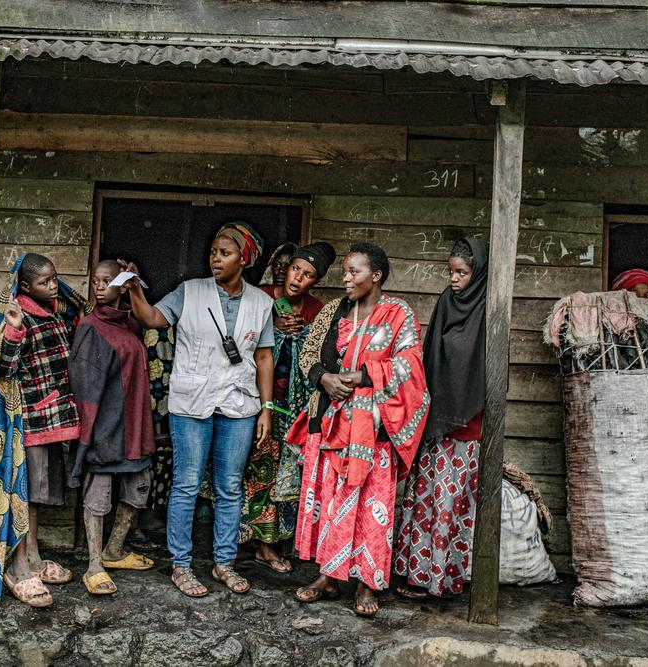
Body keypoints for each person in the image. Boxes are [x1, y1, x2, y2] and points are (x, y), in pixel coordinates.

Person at [121, 221, 275, 597]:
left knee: (229, 487)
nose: (216, 258)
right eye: (213, 252)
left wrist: (267, 408)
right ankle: (182, 565)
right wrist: (134, 291)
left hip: (239, 404)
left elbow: (265, 356)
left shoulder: (261, 302)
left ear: (245, 259)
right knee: (187, 484)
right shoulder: (189, 291)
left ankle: (224, 563)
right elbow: (152, 320)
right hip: (192, 403)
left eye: (225, 253)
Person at [291, 242, 430, 617]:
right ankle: (328, 576)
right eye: (345, 272)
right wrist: (325, 379)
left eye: (354, 271)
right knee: (332, 503)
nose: (347, 278)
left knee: (373, 508)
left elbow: (411, 364)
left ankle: (367, 583)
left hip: (373, 432)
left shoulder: (398, 313)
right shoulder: (336, 311)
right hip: (332, 423)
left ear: (377, 275)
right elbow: (308, 356)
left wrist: (367, 374)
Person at [393, 237, 489, 599]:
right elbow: (432, 357)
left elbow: (478, 366)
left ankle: (442, 580)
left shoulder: (487, 309)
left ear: (477, 273)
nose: (454, 279)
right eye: (450, 272)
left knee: (451, 504)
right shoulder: (448, 302)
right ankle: (414, 573)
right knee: (424, 498)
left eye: (462, 272)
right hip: (434, 423)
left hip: (467, 426)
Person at [241, 242, 335, 573]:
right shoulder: (261, 297)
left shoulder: (318, 311)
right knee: (252, 473)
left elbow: (325, 354)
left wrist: (304, 337)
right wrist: (275, 330)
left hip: (294, 408)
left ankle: (270, 545)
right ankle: (241, 543)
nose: (298, 278)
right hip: (255, 400)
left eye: (308, 275)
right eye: (295, 269)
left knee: (286, 474)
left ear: (315, 281)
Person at [0, 253, 80, 606]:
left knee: (36, 493)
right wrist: (13, 329)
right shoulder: (19, 315)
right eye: (45, 282)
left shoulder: (55, 311)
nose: (53, 285)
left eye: (55, 278)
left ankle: (33, 557)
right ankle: (18, 569)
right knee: (23, 493)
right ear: (26, 286)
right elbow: (5, 368)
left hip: (52, 418)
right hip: (30, 419)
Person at [68, 260, 157, 595]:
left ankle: (114, 550)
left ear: (122, 284)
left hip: (134, 424)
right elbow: (84, 386)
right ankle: (94, 565)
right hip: (104, 426)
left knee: (138, 488)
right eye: (95, 281)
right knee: (98, 495)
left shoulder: (132, 326)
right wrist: (89, 433)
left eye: (108, 281)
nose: (99, 287)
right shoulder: (90, 326)